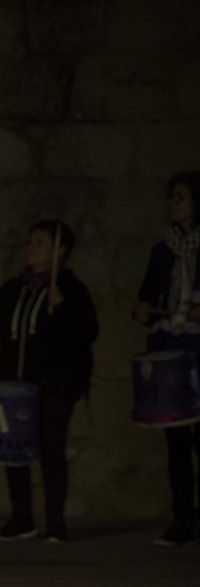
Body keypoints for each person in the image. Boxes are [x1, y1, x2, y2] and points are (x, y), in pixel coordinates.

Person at [0, 220, 98, 542]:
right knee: (15, 450)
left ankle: (55, 522)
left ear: (59, 251)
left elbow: (88, 332)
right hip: (15, 384)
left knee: (52, 450)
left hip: (55, 382)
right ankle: (21, 518)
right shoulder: (14, 289)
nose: (31, 248)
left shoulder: (71, 289)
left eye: (39, 242)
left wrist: (62, 308)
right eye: (30, 242)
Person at [133, 171, 200, 547]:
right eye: (170, 197)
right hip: (170, 349)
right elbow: (146, 295)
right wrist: (142, 310)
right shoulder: (164, 250)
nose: (173, 204)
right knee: (175, 439)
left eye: (181, 197)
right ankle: (183, 518)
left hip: (198, 350)